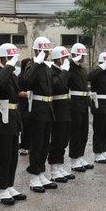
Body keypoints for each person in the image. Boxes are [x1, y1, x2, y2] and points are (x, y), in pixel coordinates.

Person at [0, 43, 28, 205]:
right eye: (10, 58)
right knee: (4, 155)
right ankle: (1, 189)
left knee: (12, 156)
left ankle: (9, 185)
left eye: (14, 58)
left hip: (13, 117)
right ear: (3, 57)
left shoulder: (11, 74)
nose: (13, 61)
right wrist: (9, 67)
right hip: (2, 117)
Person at [23, 36, 57, 192]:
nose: (46, 54)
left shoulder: (46, 68)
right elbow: (26, 81)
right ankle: (34, 178)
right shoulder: (32, 66)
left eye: (47, 51)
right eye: (43, 51)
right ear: (36, 50)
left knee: (45, 145)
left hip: (48, 110)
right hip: (37, 110)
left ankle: (41, 173)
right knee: (36, 145)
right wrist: (37, 62)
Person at [47, 46, 74, 182]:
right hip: (57, 108)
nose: (66, 60)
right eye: (64, 58)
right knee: (57, 139)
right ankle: (53, 169)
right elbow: (56, 85)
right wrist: (64, 72)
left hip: (66, 107)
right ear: (58, 58)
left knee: (64, 138)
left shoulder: (64, 71)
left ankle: (59, 165)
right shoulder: (52, 71)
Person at [67, 43, 94, 172]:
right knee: (75, 132)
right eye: (79, 55)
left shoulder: (82, 69)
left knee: (84, 131)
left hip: (83, 102)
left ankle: (80, 156)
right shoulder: (69, 67)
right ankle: (74, 159)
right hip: (74, 103)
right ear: (73, 54)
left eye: (83, 55)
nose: (82, 58)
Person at [90, 52, 106, 164]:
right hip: (99, 104)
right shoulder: (97, 71)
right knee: (99, 129)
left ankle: (103, 150)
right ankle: (97, 153)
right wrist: (101, 66)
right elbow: (90, 77)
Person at [18, 57, 32, 156]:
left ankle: (30, 145)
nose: (29, 67)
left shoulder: (32, 76)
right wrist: (30, 94)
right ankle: (23, 146)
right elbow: (18, 92)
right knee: (25, 126)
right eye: (28, 65)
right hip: (24, 105)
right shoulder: (20, 77)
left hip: (32, 104)